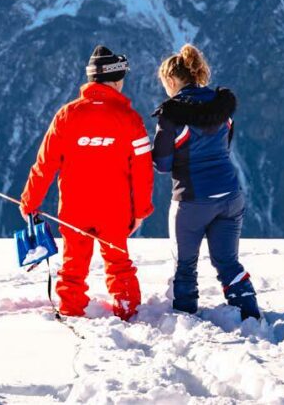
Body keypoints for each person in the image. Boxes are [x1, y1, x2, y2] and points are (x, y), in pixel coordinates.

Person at [19, 45, 154, 321]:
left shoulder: (67, 115)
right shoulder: (130, 119)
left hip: (74, 208)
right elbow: (142, 171)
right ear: (116, 79)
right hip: (114, 209)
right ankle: (129, 313)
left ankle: (70, 312)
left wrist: (30, 202)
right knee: (119, 264)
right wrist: (140, 210)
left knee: (73, 267)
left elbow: (45, 164)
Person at [151, 44, 262, 321]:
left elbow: (162, 164)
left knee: (185, 266)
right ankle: (249, 314)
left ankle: (185, 318)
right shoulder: (222, 108)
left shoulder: (171, 114)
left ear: (172, 80)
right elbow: (225, 147)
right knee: (227, 261)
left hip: (192, 200)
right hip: (230, 194)